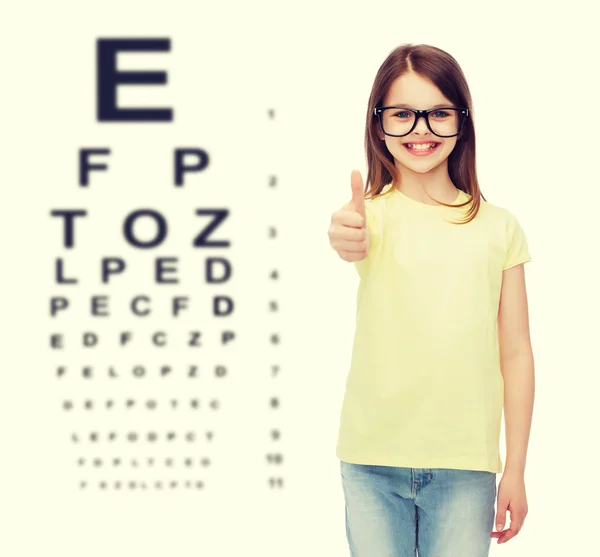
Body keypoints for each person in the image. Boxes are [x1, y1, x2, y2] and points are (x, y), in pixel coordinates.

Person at [328, 43, 534, 557]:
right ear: (378, 125)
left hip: (466, 467)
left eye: (439, 113)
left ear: (462, 122)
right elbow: (348, 236)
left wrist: (516, 468)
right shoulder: (368, 218)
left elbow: (517, 353)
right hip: (371, 460)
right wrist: (345, 233)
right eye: (402, 114)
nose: (421, 129)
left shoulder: (498, 227)